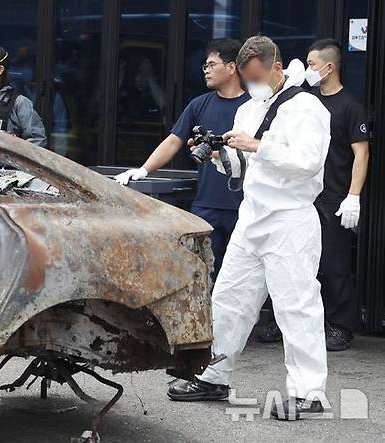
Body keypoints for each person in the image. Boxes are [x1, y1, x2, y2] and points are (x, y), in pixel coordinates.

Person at [167, 36, 331, 421]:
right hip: (253, 216)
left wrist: (257, 145)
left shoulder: (308, 107)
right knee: (228, 299)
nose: (252, 84)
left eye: (257, 76)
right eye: (247, 77)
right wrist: (223, 156)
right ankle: (213, 376)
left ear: (276, 67)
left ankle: (309, 393)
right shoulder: (251, 108)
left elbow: (307, 162)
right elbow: (242, 168)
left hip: (290, 218)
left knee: (297, 305)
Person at [115, 39, 249, 277]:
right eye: (204, 65)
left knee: (240, 279)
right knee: (200, 273)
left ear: (231, 68)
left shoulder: (253, 107)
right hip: (206, 205)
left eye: (211, 64)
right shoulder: (199, 105)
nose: (205, 70)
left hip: (245, 206)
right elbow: (173, 141)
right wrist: (144, 170)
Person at [307, 39, 369, 349]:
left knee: (334, 263)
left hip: (334, 196)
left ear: (329, 67)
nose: (308, 70)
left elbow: (362, 154)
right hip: (306, 194)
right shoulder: (308, 102)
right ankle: (296, 322)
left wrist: (353, 196)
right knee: (302, 261)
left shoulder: (349, 106)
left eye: (312, 64)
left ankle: (341, 326)